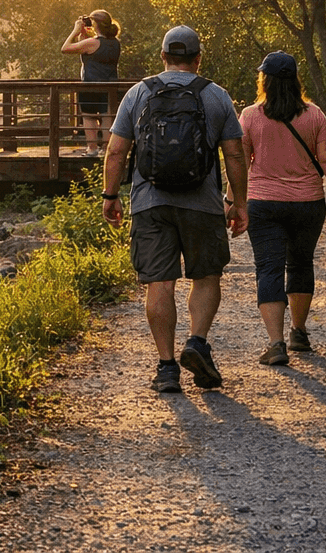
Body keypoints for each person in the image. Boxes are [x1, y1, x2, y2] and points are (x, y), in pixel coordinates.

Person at [102, 25, 248, 393]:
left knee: (159, 284)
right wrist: (238, 202)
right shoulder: (216, 96)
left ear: (163, 57)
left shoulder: (138, 93)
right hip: (203, 204)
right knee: (206, 276)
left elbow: (117, 150)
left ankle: (167, 368)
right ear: (198, 58)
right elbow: (234, 154)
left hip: (150, 203)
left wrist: (110, 196)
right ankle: (197, 342)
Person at [238, 52, 326, 367]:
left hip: (263, 204)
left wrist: (233, 202)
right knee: (300, 264)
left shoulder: (249, 116)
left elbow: (239, 164)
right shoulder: (314, 115)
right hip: (307, 204)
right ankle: (298, 333)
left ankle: (276, 344)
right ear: (295, 80)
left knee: (269, 269)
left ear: (266, 80)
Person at [62, 10, 122, 157]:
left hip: (90, 85)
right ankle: (106, 150)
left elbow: (65, 48)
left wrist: (75, 32)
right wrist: (83, 34)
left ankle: (92, 149)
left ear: (95, 24)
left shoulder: (92, 43)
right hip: (110, 86)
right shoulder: (115, 44)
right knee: (107, 116)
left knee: (89, 117)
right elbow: (87, 49)